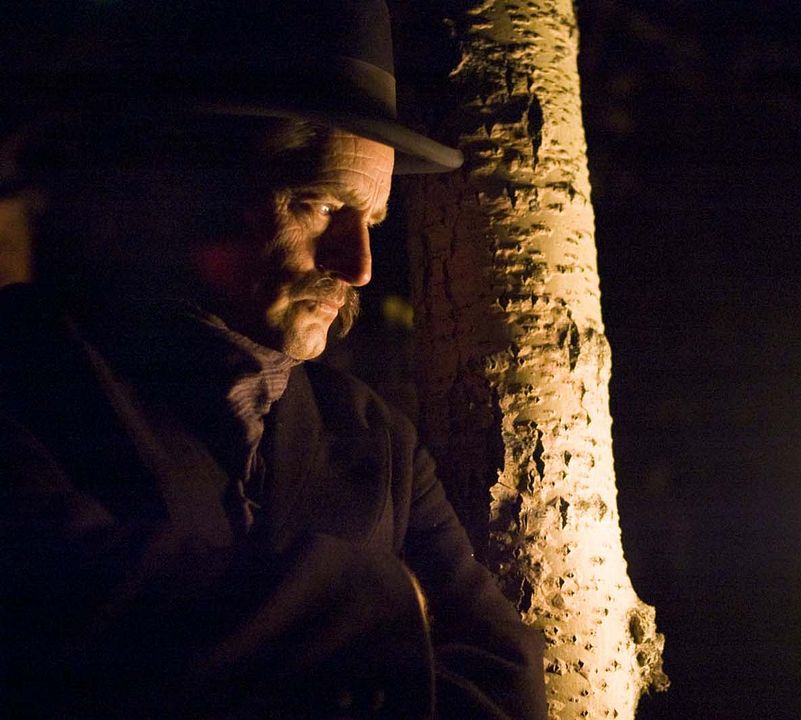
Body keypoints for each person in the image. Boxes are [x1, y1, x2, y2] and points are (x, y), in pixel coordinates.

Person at [0, 1, 547, 718]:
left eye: (372, 220)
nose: (357, 267)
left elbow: (503, 673)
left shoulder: (376, 441)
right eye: (321, 204)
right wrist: (388, 606)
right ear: (192, 182)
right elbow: (57, 615)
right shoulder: (29, 367)